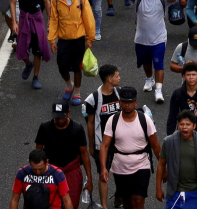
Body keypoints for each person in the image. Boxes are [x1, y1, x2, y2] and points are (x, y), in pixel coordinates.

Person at [99, 86, 160, 209]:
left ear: (136, 102)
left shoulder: (145, 120)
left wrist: (164, 166)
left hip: (141, 165)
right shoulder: (113, 120)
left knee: (138, 200)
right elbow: (104, 146)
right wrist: (103, 168)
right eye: (124, 102)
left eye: (130, 102)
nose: (127, 105)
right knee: (127, 202)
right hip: (120, 167)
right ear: (119, 102)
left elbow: (155, 145)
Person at [125, 0, 178, 103]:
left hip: (159, 38)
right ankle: (149, 78)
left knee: (158, 63)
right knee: (146, 62)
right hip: (142, 39)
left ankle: (158, 91)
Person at [48, 0, 95, 108]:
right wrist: (52, 40)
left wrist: (89, 38)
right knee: (62, 65)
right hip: (63, 39)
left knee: (77, 67)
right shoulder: (56, 0)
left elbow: (88, 18)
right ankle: (69, 85)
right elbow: (53, 20)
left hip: (78, 39)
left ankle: (77, 92)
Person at [35, 101, 93, 208]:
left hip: (71, 173)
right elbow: (38, 153)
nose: (59, 120)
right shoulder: (45, 127)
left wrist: (89, 179)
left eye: (62, 117)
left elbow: (84, 154)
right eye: (56, 117)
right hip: (50, 172)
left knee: (71, 203)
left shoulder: (77, 128)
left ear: (68, 113)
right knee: (48, 203)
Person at [156, 110, 197, 208]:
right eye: (182, 124)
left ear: (194, 126)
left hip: (195, 194)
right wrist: (158, 188)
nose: (184, 127)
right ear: (178, 125)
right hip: (174, 194)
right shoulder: (169, 142)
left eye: (188, 124)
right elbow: (161, 164)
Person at [84, 64, 122, 209]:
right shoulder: (92, 99)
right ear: (109, 79)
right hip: (102, 144)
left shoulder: (120, 94)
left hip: (120, 142)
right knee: (103, 174)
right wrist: (91, 145)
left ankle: (119, 197)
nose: (119, 78)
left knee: (121, 172)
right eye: (117, 76)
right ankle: (104, 206)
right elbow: (90, 123)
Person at [10, 0, 50, 89]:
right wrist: (14, 23)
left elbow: (46, 2)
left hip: (37, 18)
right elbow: (13, 2)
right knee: (21, 47)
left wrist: (50, 19)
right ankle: (28, 63)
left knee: (38, 49)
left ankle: (36, 77)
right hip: (23, 17)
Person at [166, 63, 197, 142]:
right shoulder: (177, 94)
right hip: (183, 134)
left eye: (194, 74)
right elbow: (172, 116)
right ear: (183, 76)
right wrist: (170, 135)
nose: (191, 77)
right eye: (188, 75)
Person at [8, 149, 73, 209]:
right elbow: (14, 200)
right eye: (34, 169)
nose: (38, 172)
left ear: (47, 162)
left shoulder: (57, 174)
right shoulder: (22, 173)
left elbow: (67, 201)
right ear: (29, 162)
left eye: (40, 169)